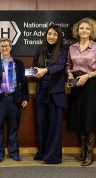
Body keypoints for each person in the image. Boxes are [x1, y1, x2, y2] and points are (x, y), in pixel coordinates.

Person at [0, 37, 29, 163]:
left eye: (6, 45)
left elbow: (24, 81)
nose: (4, 48)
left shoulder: (18, 63)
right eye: (2, 46)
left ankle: (13, 152)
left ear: (11, 47)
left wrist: (25, 97)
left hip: (14, 99)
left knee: (13, 127)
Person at [33, 25, 67, 164]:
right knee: (41, 124)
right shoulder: (40, 49)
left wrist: (45, 71)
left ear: (58, 37)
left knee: (55, 126)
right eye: (49, 34)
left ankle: (53, 157)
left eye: (54, 34)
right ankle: (42, 152)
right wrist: (34, 72)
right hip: (42, 91)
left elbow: (60, 66)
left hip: (56, 93)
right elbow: (36, 65)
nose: (51, 36)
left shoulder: (64, 50)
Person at [66, 17, 96, 166]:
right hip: (77, 84)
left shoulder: (95, 47)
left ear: (91, 31)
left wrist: (88, 75)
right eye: (81, 28)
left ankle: (90, 154)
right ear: (77, 31)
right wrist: (70, 76)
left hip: (91, 84)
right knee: (79, 117)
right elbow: (68, 65)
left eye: (87, 28)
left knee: (90, 118)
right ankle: (83, 151)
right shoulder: (72, 47)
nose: (84, 30)